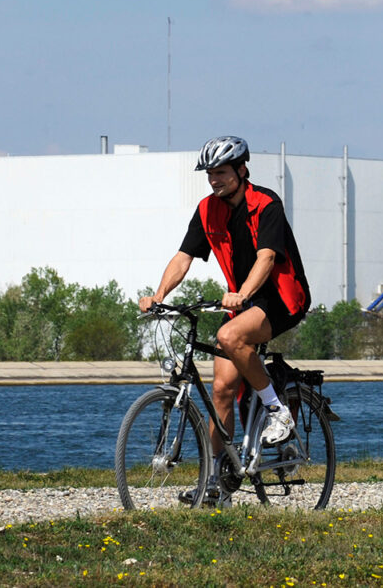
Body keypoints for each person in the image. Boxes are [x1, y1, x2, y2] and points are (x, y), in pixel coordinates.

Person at [139, 135, 311, 504]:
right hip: (242, 302)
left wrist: (244, 294)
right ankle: (218, 484)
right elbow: (184, 256)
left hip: (281, 297)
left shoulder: (266, 205)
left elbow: (266, 258)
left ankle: (279, 412)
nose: (214, 179)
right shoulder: (207, 210)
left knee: (231, 336)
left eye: (221, 172)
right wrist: (159, 295)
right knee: (221, 390)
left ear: (241, 170)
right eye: (209, 173)